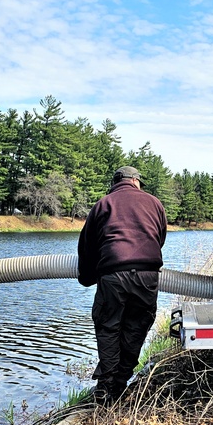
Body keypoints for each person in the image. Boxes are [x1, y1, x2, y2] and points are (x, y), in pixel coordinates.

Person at [77, 166, 167, 405]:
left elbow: (87, 247)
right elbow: (160, 238)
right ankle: (119, 384)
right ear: (136, 181)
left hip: (113, 275)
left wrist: (87, 276)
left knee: (109, 328)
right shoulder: (155, 204)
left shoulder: (103, 204)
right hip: (147, 276)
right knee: (136, 328)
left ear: (115, 182)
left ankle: (106, 389)